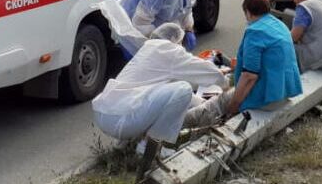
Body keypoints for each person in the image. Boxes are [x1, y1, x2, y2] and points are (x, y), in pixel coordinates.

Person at [92, 23, 228, 148]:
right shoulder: (169, 50)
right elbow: (203, 70)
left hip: (105, 115)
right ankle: (151, 147)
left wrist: (203, 103)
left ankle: (125, 145)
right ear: (177, 40)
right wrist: (224, 79)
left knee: (156, 94)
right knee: (184, 89)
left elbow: (169, 95)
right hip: (123, 120)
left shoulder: (147, 50)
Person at [184, 0, 303, 126]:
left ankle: (179, 126)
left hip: (267, 99)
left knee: (215, 104)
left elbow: (249, 77)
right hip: (285, 91)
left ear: (247, 12)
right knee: (228, 88)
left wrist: (234, 106)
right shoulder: (279, 25)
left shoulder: (255, 31)